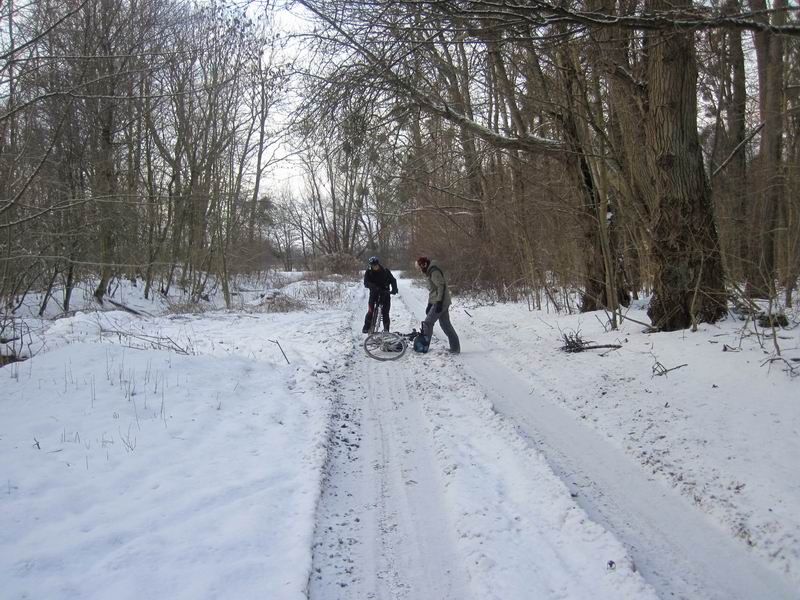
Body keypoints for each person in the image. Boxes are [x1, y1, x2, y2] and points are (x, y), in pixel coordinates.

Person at [414, 256, 460, 353]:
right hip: (438, 302)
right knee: (446, 325)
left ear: (424, 264)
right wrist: (429, 304)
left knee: (428, 323)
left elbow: (441, 287)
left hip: (441, 302)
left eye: (419, 268)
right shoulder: (430, 272)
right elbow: (433, 290)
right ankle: (455, 348)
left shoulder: (434, 272)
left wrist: (438, 302)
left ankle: (424, 346)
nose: (420, 270)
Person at [362, 256, 398, 333]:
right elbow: (366, 283)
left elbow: (393, 280)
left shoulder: (385, 271)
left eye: (376, 265)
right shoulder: (368, 272)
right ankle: (366, 326)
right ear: (371, 265)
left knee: (385, 313)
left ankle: (386, 330)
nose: (375, 267)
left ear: (378, 264)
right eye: (373, 265)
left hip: (385, 293)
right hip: (374, 293)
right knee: (371, 310)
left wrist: (394, 289)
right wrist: (373, 286)